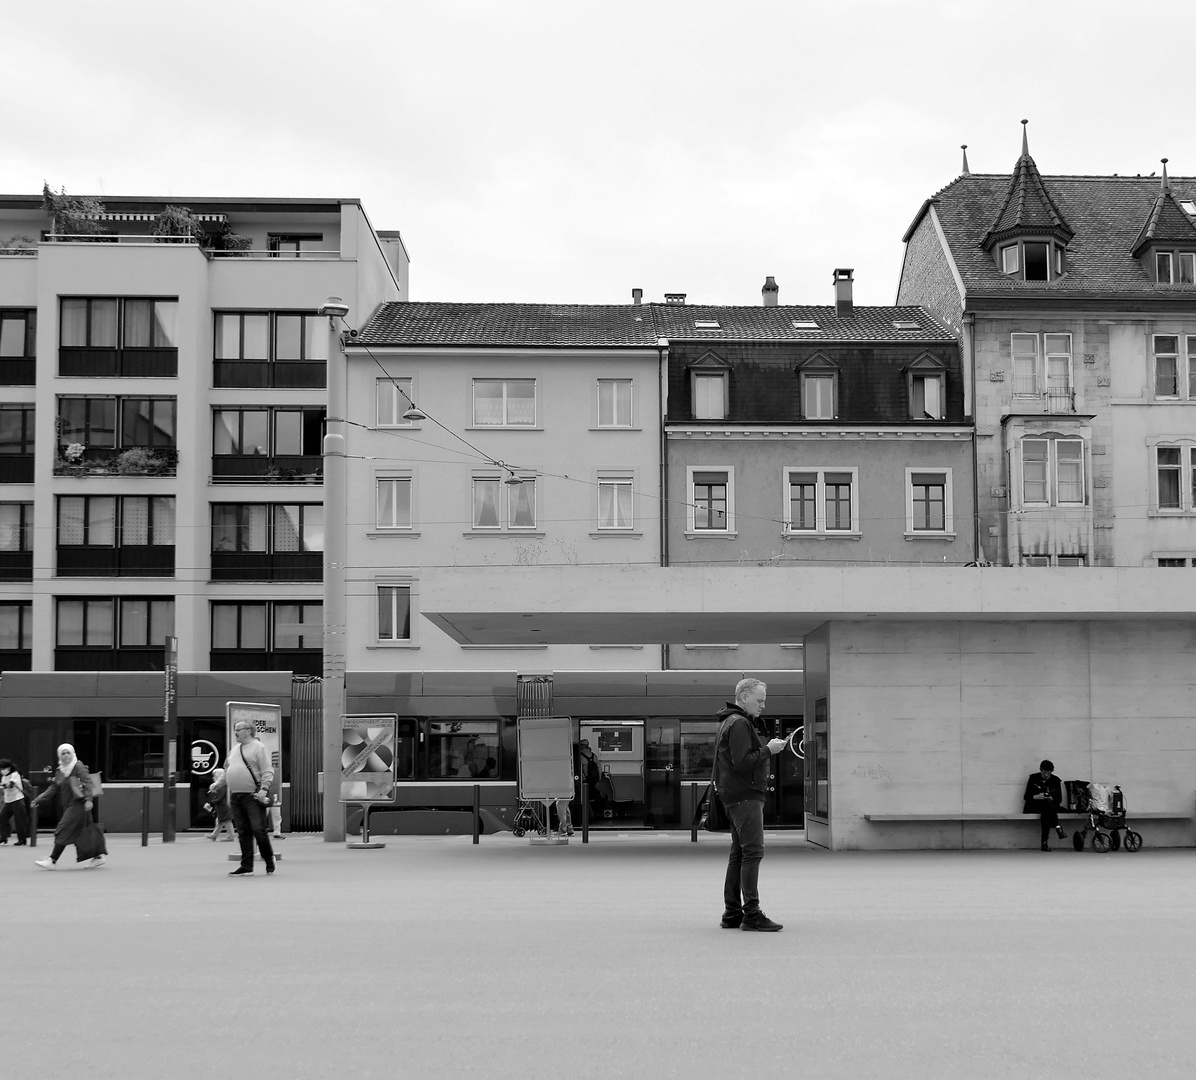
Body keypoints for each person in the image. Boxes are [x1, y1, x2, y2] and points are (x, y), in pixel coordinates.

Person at [713, 678, 787, 931]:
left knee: (739, 853)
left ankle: (732, 912)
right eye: (760, 700)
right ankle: (752, 913)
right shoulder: (740, 723)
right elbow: (742, 762)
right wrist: (769, 749)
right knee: (753, 852)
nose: (763, 705)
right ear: (744, 698)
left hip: (734, 795)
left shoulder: (728, 721)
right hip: (745, 796)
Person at [31, 744, 104, 869]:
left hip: (79, 804)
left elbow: (88, 783)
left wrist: (89, 800)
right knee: (80, 833)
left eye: (68, 753)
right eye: (63, 753)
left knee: (63, 828)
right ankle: (98, 857)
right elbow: (54, 787)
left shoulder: (78, 766)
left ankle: (52, 860)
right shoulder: (60, 770)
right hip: (70, 804)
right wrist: (39, 799)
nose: (66, 756)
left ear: (73, 753)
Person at [224, 719, 275, 877]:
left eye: (238, 729)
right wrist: (219, 784)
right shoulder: (235, 750)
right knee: (243, 832)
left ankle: (268, 859)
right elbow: (228, 770)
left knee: (258, 830)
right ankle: (246, 866)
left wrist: (264, 789)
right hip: (236, 796)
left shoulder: (259, 748)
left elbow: (267, 770)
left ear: (248, 730)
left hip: (253, 795)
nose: (236, 732)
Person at [1023, 759, 1066, 851]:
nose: (1045, 775)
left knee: (1046, 809)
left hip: (1049, 807)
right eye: (1043, 772)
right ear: (1040, 770)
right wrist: (1036, 796)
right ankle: (1058, 828)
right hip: (1034, 806)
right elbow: (1026, 797)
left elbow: (1059, 799)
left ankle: (1044, 842)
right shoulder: (1033, 778)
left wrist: (1051, 798)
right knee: (1047, 808)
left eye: (1048, 773)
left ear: (1051, 771)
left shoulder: (1055, 780)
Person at [0, 758, 30, 846]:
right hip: (8, 801)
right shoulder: (4, 777)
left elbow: (11, 784)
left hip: (17, 799)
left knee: (20, 820)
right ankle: (3, 837)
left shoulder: (15, 774)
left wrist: (4, 785)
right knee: (2, 818)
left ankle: (22, 839)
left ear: (8, 768)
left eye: (3, 768)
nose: (2, 771)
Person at [203, 767, 235, 841]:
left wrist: (211, 804)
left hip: (223, 806)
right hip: (224, 806)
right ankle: (214, 835)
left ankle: (230, 836)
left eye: (214, 775)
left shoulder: (221, 785)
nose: (213, 777)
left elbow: (218, 797)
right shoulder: (225, 784)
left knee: (226, 820)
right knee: (220, 820)